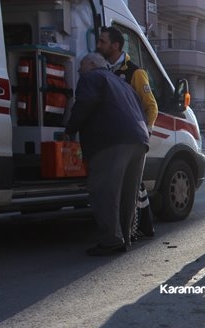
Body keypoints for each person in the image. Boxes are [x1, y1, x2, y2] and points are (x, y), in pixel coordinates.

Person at [64, 53, 149, 256]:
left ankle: (111, 240)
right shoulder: (123, 84)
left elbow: (85, 103)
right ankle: (125, 236)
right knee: (128, 192)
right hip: (138, 139)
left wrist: (70, 129)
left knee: (105, 191)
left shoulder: (92, 78)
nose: (78, 71)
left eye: (81, 67)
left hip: (111, 140)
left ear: (92, 64)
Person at [96, 26, 158, 241]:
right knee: (130, 187)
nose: (98, 45)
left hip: (129, 138)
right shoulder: (102, 68)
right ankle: (138, 227)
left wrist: (146, 131)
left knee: (128, 189)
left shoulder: (134, 72)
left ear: (115, 45)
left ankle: (129, 231)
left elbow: (151, 106)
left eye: (102, 41)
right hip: (109, 138)